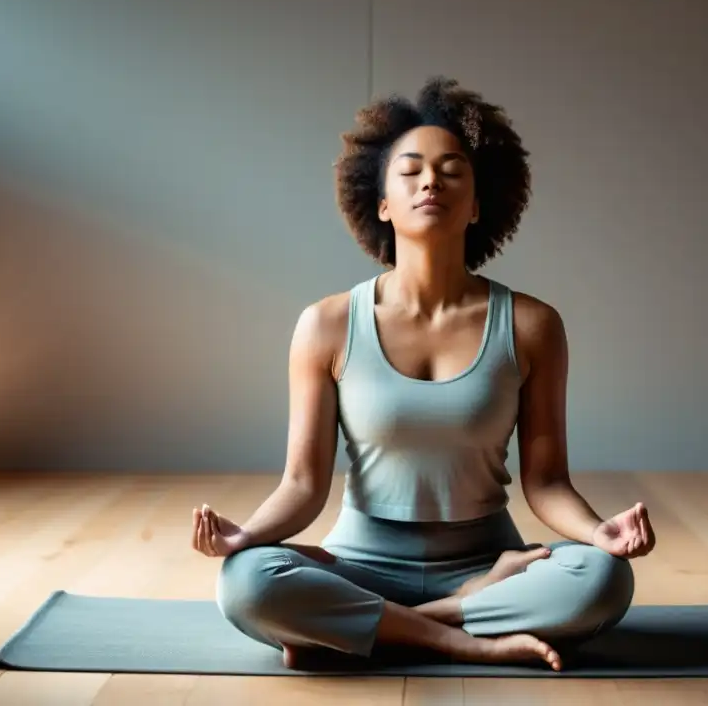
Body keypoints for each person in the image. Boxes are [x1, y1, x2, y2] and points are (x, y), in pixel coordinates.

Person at [190, 77, 656, 672]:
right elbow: (303, 485)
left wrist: (599, 535)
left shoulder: (534, 325)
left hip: (492, 565)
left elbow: (547, 483)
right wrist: (244, 537)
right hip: (359, 564)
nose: (430, 181)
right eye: (410, 171)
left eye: (451, 169)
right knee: (248, 583)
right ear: (381, 203)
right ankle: (458, 626)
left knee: (600, 580)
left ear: (479, 202)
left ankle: (378, 624)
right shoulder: (326, 324)